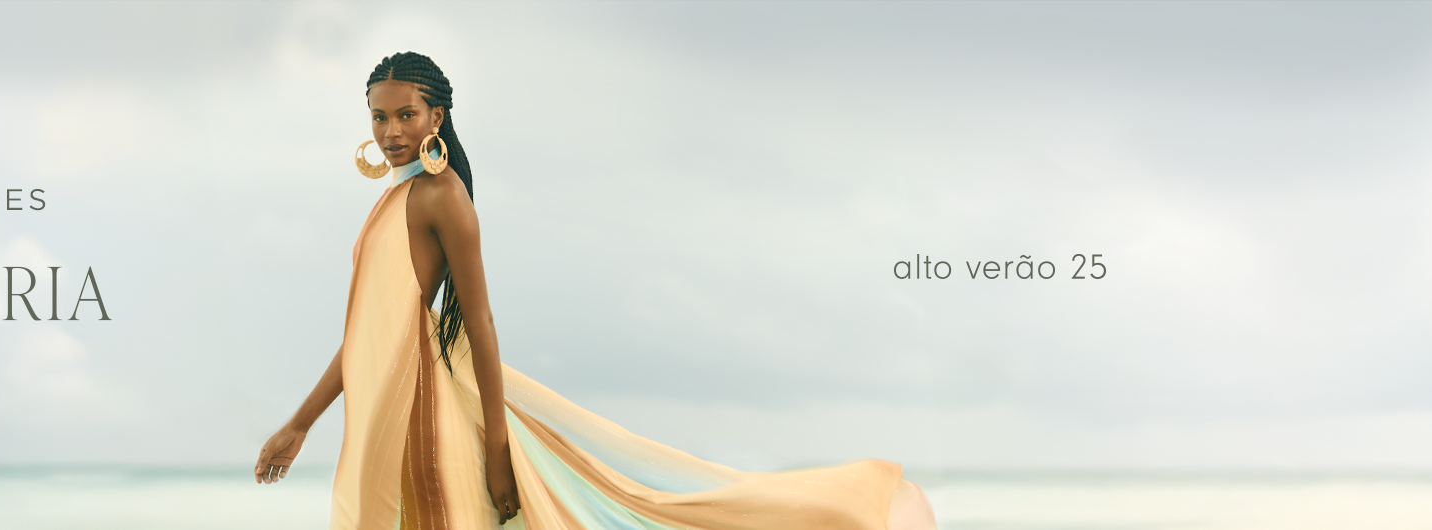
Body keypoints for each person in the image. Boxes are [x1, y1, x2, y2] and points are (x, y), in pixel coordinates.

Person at [254, 51, 937, 530]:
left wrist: (497, 452)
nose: (391, 131)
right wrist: (300, 423)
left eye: (406, 115)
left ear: (436, 115)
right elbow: (370, 335)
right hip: (382, 410)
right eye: (379, 117)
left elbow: (481, 321)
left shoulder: (442, 198)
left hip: (425, 414)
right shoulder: (391, 202)